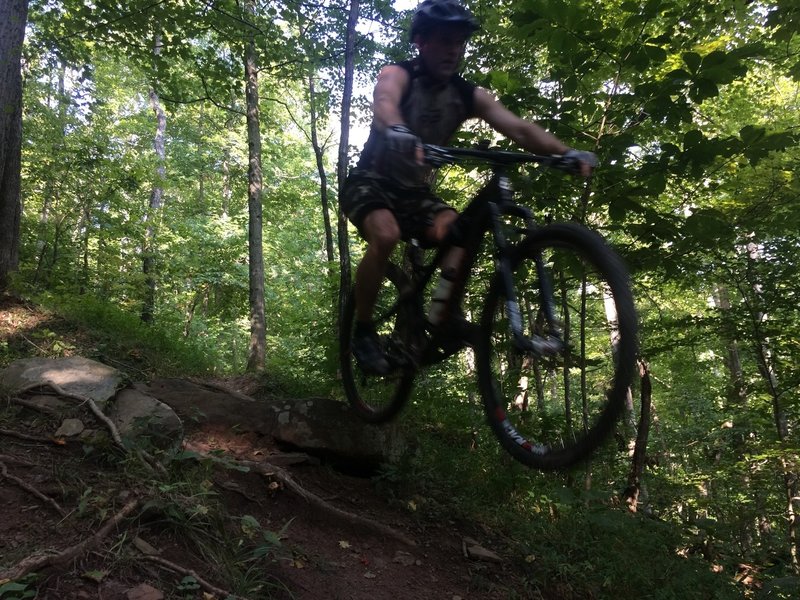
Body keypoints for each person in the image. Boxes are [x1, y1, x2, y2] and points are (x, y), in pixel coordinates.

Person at [341, 0, 596, 375]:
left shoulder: (467, 94)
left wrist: (565, 152)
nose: (453, 50)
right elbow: (384, 102)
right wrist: (397, 129)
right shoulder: (398, 74)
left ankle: (444, 314)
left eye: (459, 42)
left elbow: (519, 128)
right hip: (371, 182)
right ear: (421, 42)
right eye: (445, 40)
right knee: (387, 233)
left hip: (415, 194)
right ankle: (363, 330)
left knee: (459, 230)